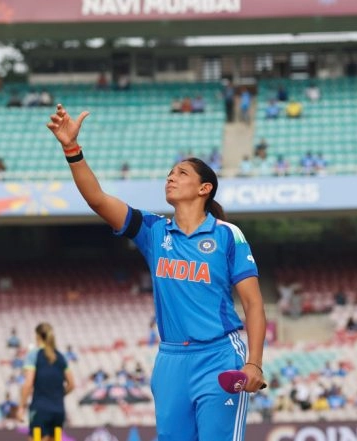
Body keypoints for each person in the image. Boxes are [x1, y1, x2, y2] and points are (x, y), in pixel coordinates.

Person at [46, 104, 266, 441]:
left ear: (204, 188)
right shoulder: (154, 231)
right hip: (171, 361)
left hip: (220, 356)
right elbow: (97, 199)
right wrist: (71, 149)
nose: (171, 177)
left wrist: (253, 363)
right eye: (169, 173)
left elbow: (253, 305)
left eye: (181, 173)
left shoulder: (227, 235)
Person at [17, 322, 75, 441]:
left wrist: (21, 407)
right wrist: (57, 395)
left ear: (37, 336)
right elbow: (71, 384)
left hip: (40, 410)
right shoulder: (60, 356)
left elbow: (28, 384)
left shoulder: (34, 355)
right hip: (58, 411)